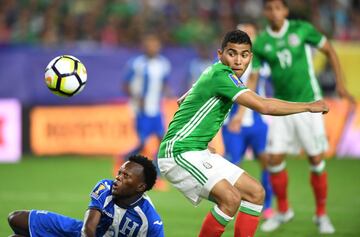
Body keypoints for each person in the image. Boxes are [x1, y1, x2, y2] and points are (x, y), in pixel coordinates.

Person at [157, 29, 329, 237]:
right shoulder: (222, 76)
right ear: (220, 54)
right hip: (178, 153)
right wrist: (308, 106)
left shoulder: (215, 72)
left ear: (250, 56)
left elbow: (182, 101)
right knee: (230, 199)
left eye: (244, 54)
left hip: (196, 150)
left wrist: (199, 137)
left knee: (255, 193)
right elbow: (264, 106)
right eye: (232, 53)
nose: (238, 60)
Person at [248, 0, 355, 234]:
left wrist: (341, 85)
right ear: (265, 12)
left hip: (310, 105)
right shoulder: (263, 42)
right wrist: (245, 99)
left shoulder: (301, 29)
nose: (274, 12)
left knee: (316, 160)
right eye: (269, 8)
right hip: (283, 109)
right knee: (274, 160)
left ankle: (321, 215)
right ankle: (284, 210)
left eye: (278, 8)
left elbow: (329, 50)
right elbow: (254, 77)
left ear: (285, 11)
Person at [8, 154, 164, 237]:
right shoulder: (105, 187)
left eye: (126, 176)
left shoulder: (150, 222)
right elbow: (88, 227)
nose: (118, 177)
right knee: (15, 218)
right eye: (119, 173)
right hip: (80, 232)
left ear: (141, 187)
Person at [221, 22, 273, 220]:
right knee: (232, 163)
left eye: (251, 34)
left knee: (267, 162)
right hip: (233, 123)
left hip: (257, 122)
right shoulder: (226, 61)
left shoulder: (259, 61)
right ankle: (230, 201)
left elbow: (252, 88)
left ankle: (267, 205)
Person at [121, 33, 171, 190]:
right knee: (143, 143)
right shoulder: (137, 64)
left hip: (156, 110)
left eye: (155, 44)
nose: (152, 47)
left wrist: (167, 92)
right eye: (149, 44)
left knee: (163, 142)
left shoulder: (163, 63)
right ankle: (123, 158)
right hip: (141, 111)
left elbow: (164, 83)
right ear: (144, 46)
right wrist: (136, 98)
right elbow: (126, 84)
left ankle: (156, 175)